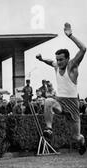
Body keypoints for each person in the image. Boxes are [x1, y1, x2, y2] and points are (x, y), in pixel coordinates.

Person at [36, 22, 86, 155]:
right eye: (57, 60)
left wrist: (70, 35)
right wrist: (41, 60)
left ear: (68, 59)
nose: (58, 62)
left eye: (61, 60)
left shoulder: (72, 66)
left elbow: (83, 49)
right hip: (60, 102)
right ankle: (49, 129)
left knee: (76, 137)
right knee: (48, 102)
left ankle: (82, 143)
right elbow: (49, 62)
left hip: (73, 104)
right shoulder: (57, 66)